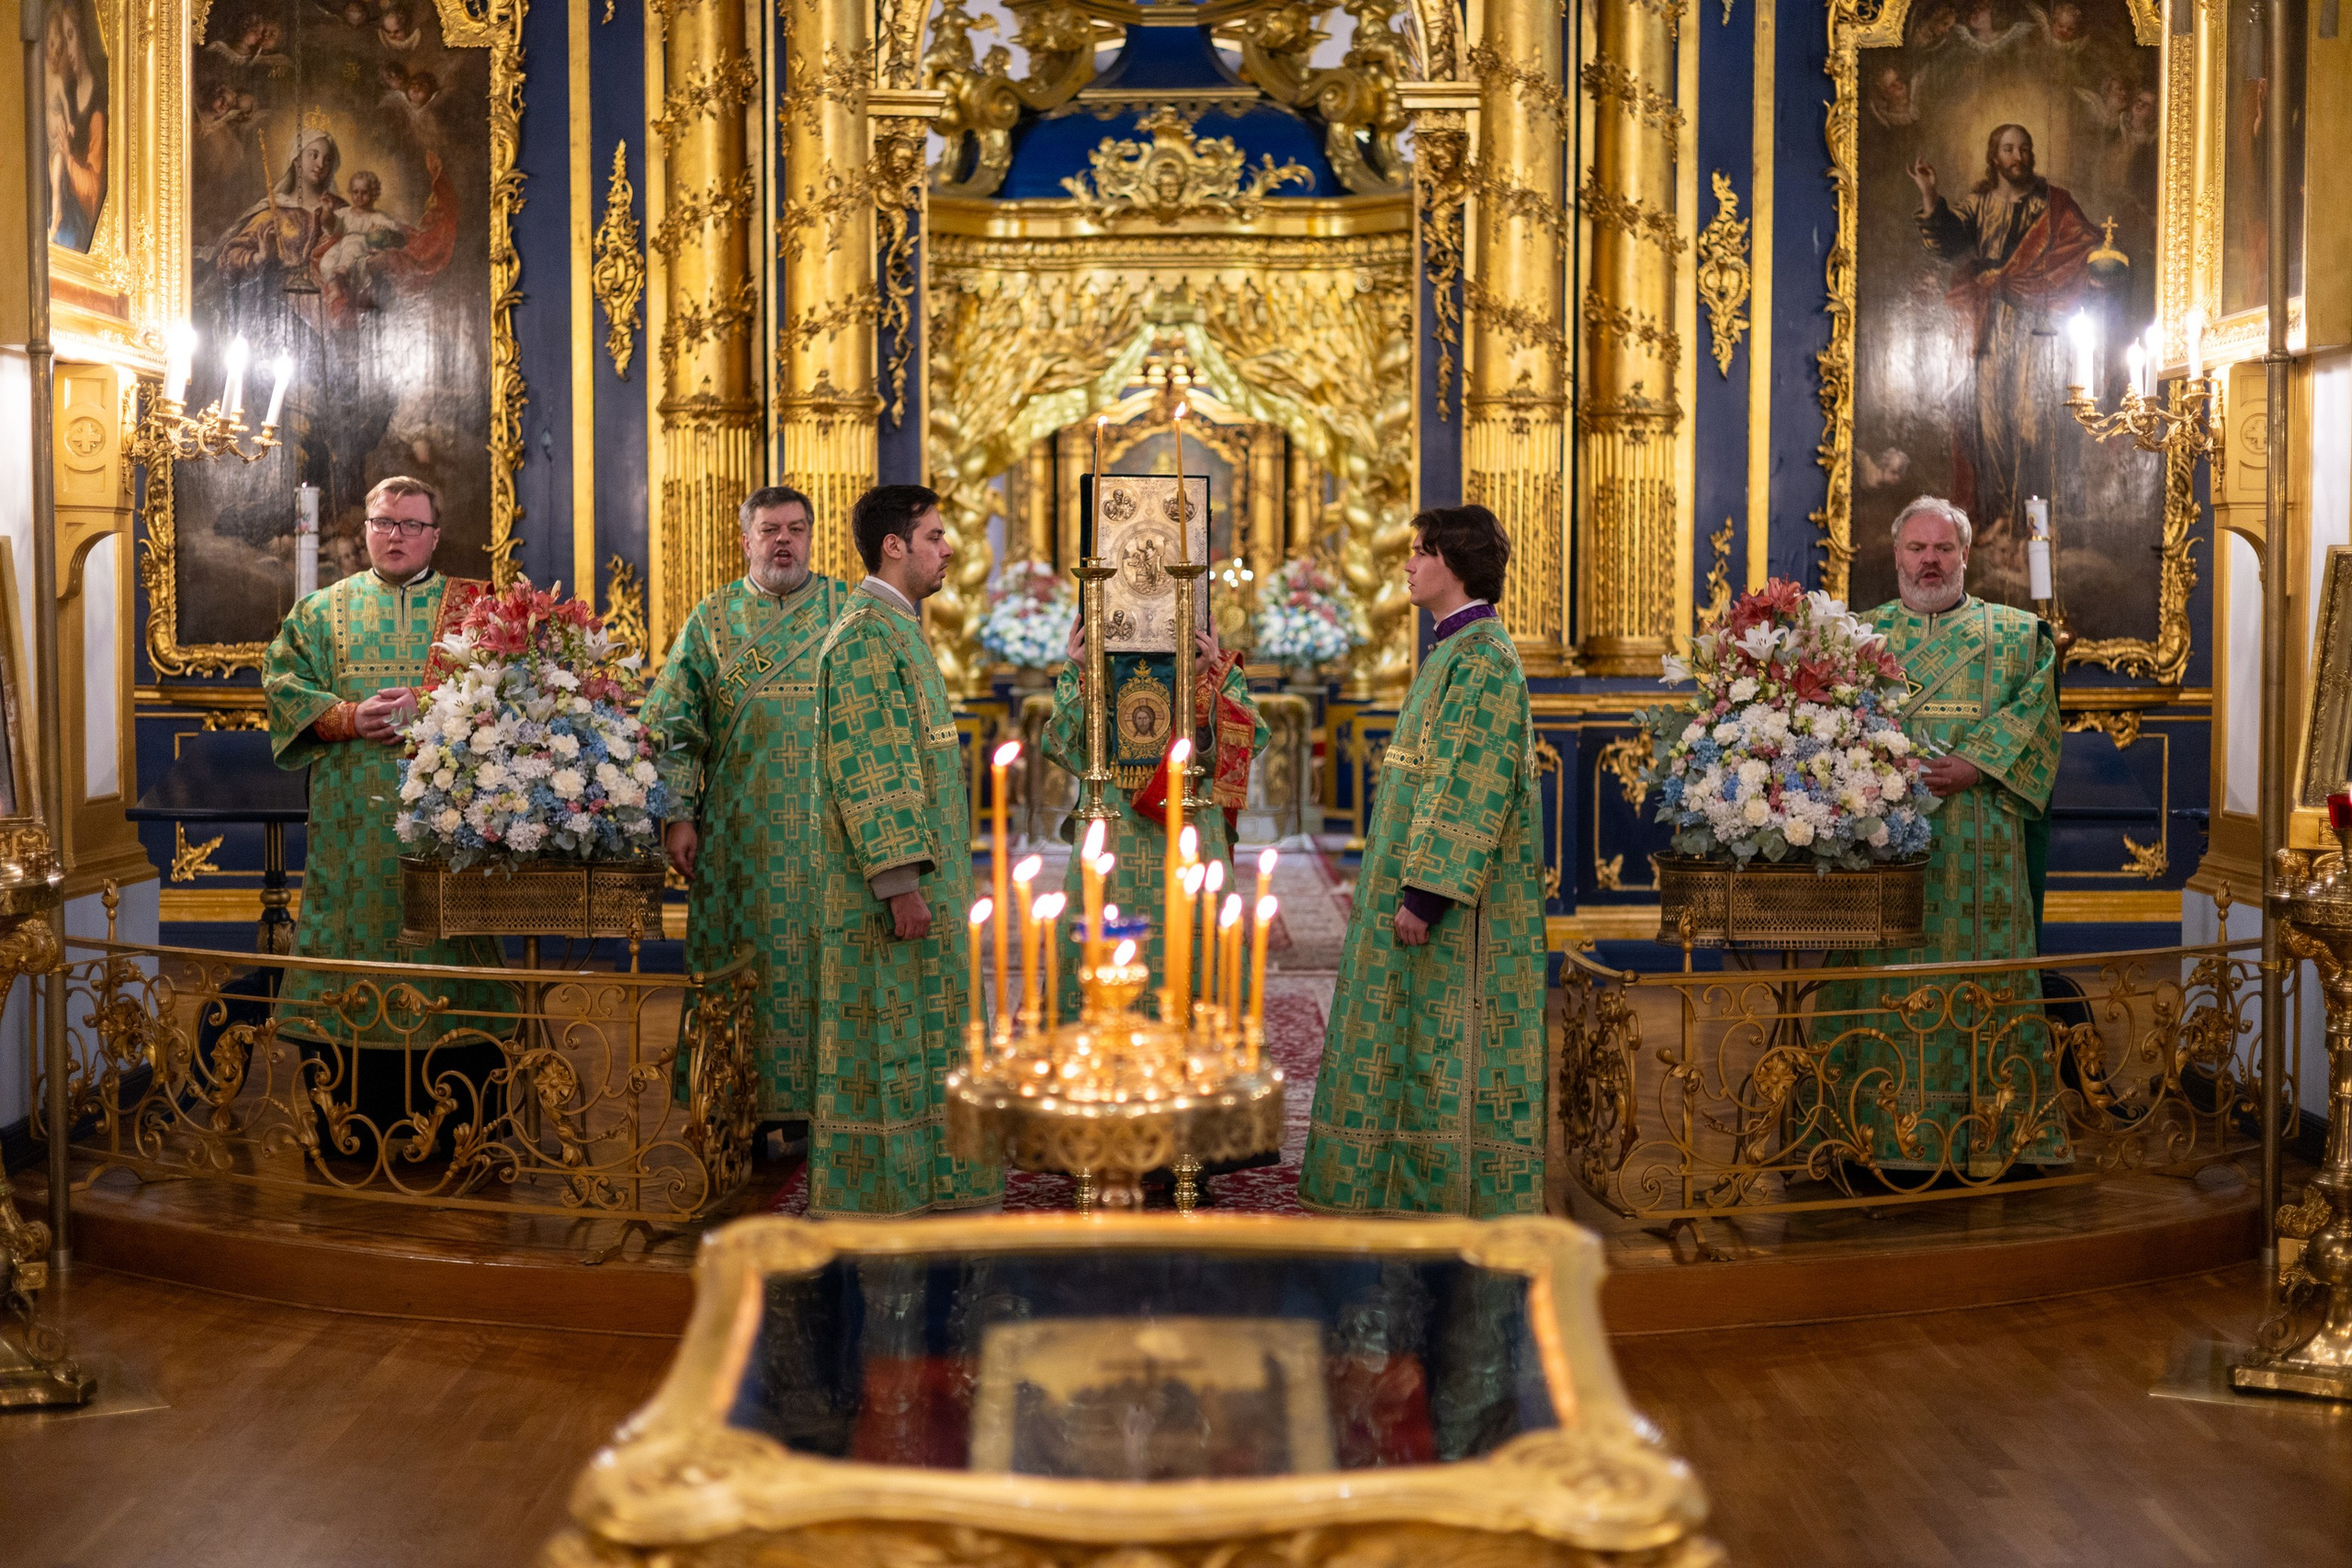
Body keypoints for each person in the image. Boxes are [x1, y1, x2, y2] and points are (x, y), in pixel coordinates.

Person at [1299, 504, 1548, 1215]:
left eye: (1420, 551)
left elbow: (1470, 780)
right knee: (1411, 1040)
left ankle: (1443, 1192)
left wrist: (1426, 894)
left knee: (1445, 1047)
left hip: (1450, 910)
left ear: (1456, 563)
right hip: (1417, 891)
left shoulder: (1483, 660)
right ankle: (1400, 1186)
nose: (1407, 564)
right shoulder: (1452, 651)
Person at [1818, 495, 2068, 1176]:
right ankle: (1866, 1135)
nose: (1930, 561)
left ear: (1965, 555)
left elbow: (2039, 711)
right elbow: (1820, 730)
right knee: (1884, 988)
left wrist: (1976, 762)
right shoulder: (1854, 638)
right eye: (1916, 549)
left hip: (1981, 845)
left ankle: (1995, 1138)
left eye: (1943, 549)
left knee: (1978, 988)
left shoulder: (2019, 636)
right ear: (1895, 555)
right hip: (1882, 850)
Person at [262, 476, 508, 1151]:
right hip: (350, 827)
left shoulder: (475, 609)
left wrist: (430, 716)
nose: (394, 534)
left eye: (409, 524)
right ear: (364, 531)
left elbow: (512, 697)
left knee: (443, 950)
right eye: (382, 523)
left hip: (448, 826)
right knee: (356, 951)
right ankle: (351, 1125)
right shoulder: (320, 611)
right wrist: (346, 715)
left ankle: (462, 1122)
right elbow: (281, 681)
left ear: (434, 533)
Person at [804, 485, 1001, 1215]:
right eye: (936, 536)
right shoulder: (863, 636)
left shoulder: (899, 628)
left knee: (922, 1038)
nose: (948, 549)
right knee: (886, 1045)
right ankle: (882, 1194)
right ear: (895, 544)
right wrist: (899, 884)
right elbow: (870, 763)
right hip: (887, 897)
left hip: (925, 885)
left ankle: (931, 1179)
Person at [640, 487, 848, 1134]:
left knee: (826, 969)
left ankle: (828, 1107)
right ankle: (733, 1102)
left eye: (795, 528)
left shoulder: (847, 611)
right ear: (745, 540)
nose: (783, 540)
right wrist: (678, 814)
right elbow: (672, 723)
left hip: (831, 836)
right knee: (740, 969)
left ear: (813, 536)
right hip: (738, 836)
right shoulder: (711, 618)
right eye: (769, 530)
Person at [1043, 615, 1264, 1020]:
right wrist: (1081, 673)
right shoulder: (1096, 662)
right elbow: (1062, 747)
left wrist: (1200, 685)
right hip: (1110, 829)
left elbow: (1241, 748)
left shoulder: (1217, 666)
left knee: (1197, 945)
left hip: (1191, 829)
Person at [1907, 124, 2104, 546]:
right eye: (2009, 149)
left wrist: (2095, 272)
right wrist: (1929, 193)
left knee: (2033, 422)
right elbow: (1947, 243)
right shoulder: (1978, 204)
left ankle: (2034, 529)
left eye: (2025, 148)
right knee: (1990, 421)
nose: (2018, 156)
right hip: (1988, 325)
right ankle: (1997, 519)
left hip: (2039, 328)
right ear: (1994, 157)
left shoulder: (2054, 205)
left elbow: (2083, 249)